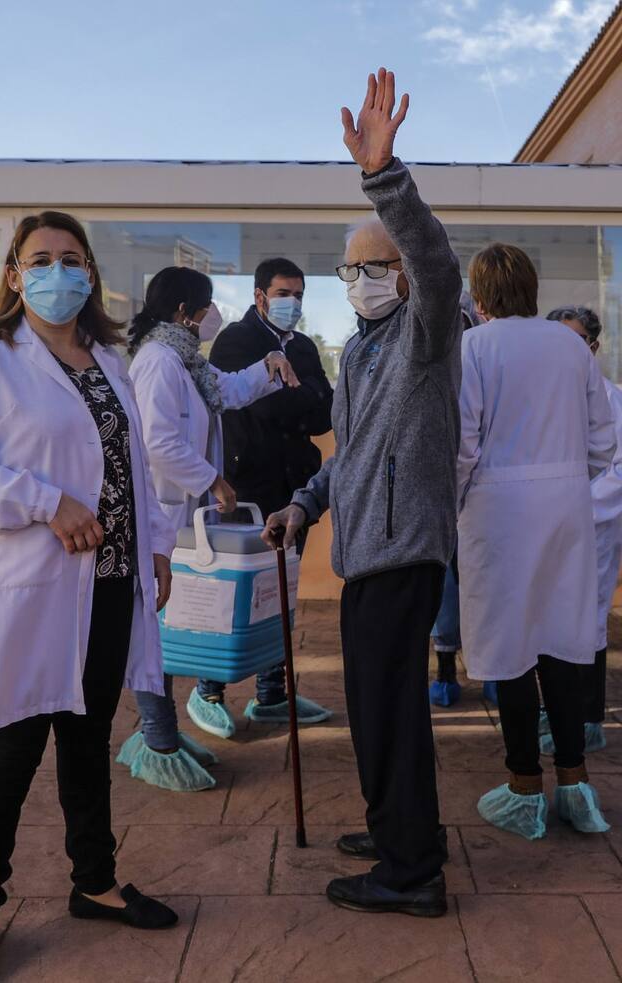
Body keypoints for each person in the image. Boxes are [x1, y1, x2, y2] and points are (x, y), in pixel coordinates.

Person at [0, 212, 179, 983]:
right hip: (32, 590)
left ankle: (94, 881)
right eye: (40, 259)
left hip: (109, 585)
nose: (57, 272)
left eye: (71, 259)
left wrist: (157, 545)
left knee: (87, 739)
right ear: (13, 274)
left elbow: (132, 466)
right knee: (11, 747)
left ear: (90, 274)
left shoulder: (110, 361)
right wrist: (44, 501)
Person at [264, 68, 462, 918]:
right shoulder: (362, 349)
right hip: (365, 553)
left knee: (391, 712)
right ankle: (396, 831)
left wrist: (384, 177)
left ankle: (411, 873)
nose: (355, 280)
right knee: (375, 708)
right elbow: (352, 455)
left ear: (401, 274)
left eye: (370, 267)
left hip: (403, 549)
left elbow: (437, 262)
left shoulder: (425, 332)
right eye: (346, 270)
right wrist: (305, 502)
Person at [116, 265, 302, 791]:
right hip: (164, 514)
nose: (213, 314)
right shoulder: (158, 362)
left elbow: (229, 389)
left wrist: (269, 366)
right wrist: (213, 480)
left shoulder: (185, 360)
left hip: (184, 514)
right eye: (207, 305)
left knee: (171, 626)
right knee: (155, 630)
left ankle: (165, 731)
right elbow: (158, 443)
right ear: (184, 312)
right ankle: (158, 741)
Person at [457, 248, 615, 842]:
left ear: (480, 297)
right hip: (566, 508)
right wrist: (566, 474)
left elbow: (463, 445)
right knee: (562, 641)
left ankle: (525, 787)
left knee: (512, 648)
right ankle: (575, 783)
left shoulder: (473, 347)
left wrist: (456, 501)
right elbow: (603, 441)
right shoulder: (570, 346)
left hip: (498, 511)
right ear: (532, 287)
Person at [185, 258, 334, 737]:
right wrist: (300, 396)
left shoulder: (304, 346)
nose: (293, 302)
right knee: (235, 593)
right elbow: (265, 405)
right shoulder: (237, 340)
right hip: (247, 488)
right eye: (284, 293)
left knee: (280, 594)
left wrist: (295, 396)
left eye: (299, 294)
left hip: (293, 489)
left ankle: (272, 694)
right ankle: (208, 689)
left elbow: (325, 414)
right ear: (260, 296)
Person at [539, 306, 622, 754]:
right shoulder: (541, 396)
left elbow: (619, 472)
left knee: (587, 622)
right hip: (545, 527)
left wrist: (573, 507)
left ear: (594, 347)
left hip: (593, 529)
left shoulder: (612, 400)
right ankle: (554, 710)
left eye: (577, 342)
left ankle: (588, 719)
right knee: (547, 619)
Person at [428, 292, 499, 708]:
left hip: (485, 492)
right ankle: (445, 671)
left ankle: (493, 669)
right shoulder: (424, 359)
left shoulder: (483, 357)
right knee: (444, 586)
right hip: (438, 493)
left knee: (488, 584)